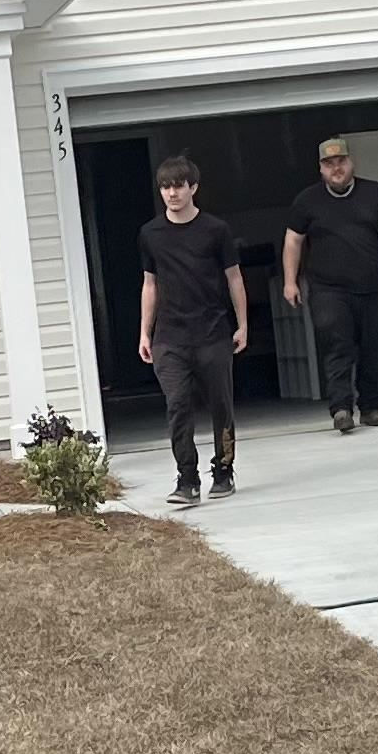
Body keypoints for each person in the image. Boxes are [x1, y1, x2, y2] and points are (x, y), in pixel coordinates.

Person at [282, 138, 378, 434]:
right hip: (328, 289)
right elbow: (293, 240)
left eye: (341, 162)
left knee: (372, 346)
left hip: (372, 287)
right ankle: (341, 409)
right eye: (329, 164)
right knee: (338, 345)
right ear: (320, 168)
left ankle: (370, 408)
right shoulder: (307, 200)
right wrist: (290, 281)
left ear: (351, 163)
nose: (336, 168)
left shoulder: (375, 192)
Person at [138, 155, 247, 506]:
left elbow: (234, 278)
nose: (172, 193)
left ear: (193, 188)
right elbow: (150, 284)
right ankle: (187, 479)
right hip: (169, 337)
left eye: (178, 186)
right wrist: (145, 332)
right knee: (177, 405)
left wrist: (243, 324)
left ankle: (224, 471)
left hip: (212, 332)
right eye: (165, 187)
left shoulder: (216, 230)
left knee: (221, 406)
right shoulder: (150, 234)